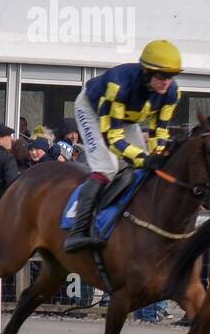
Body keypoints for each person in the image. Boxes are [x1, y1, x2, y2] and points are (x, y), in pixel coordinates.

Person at [66, 40, 183, 253]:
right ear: (147, 73)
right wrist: (142, 158)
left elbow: (160, 132)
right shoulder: (119, 86)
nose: (167, 82)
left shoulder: (172, 94)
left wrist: (156, 155)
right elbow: (112, 138)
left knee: (143, 168)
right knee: (107, 166)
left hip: (127, 120)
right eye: (161, 76)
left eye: (171, 76)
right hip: (93, 112)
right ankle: (78, 231)